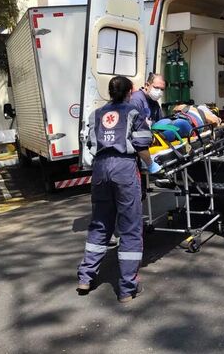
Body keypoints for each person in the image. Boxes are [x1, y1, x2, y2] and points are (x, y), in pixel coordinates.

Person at [77, 76, 161, 303]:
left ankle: (85, 277)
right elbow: (143, 145)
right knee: (130, 229)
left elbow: (90, 144)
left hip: (100, 169)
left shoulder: (96, 114)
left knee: (100, 224)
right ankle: (126, 288)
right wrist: (151, 165)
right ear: (130, 91)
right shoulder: (133, 113)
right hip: (124, 169)